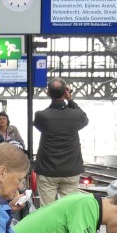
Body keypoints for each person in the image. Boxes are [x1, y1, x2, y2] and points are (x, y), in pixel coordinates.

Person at [33, 78, 89, 206]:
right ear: (65, 92)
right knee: (68, 208)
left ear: (48, 93)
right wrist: (70, 99)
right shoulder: (76, 116)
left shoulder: (41, 116)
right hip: (71, 170)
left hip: (47, 171)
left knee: (46, 210)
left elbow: (43, 120)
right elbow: (84, 119)